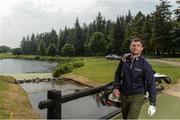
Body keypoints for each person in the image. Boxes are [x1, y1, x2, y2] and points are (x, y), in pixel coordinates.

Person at [112, 37, 157, 119]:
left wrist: (152, 103)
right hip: (124, 95)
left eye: (138, 45)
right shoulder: (124, 59)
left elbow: (151, 84)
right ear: (130, 47)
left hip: (137, 95)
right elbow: (118, 73)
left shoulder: (146, 65)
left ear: (141, 48)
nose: (135, 47)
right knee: (125, 117)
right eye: (133, 45)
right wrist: (116, 87)